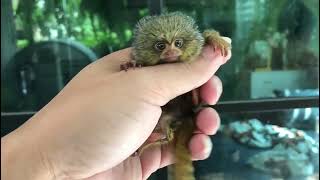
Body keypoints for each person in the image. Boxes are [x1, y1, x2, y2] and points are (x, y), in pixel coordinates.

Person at [1, 38, 232, 180]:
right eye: (162, 46)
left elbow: (207, 38)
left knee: (196, 135)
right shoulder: (142, 69)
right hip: (159, 127)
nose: (171, 51)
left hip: (181, 119)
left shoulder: (196, 47)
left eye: (178, 44)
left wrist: (212, 42)